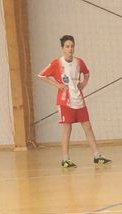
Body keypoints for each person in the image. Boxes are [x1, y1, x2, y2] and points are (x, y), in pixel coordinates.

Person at [37, 35, 111, 168]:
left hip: (79, 100)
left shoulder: (79, 62)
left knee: (88, 127)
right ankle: (65, 159)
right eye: (67, 46)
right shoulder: (57, 63)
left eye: (72, 46)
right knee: (67, 129)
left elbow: (87, 73)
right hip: (65, 101)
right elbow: (41, 75)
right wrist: (57, 85)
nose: (70, 49)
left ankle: (97, 156)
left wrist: (83, 83)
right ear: (62, 48)